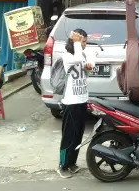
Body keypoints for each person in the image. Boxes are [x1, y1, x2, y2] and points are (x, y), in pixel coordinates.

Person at [58, 29, 96, 178]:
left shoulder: (82, 53)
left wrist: (89, 68)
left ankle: (72, 163)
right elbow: (79, 57)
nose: (85, 45)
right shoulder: (67, 55)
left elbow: (86, 72)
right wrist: (77, 43)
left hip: (82, 99)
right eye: (83, 42)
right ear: (74, 42)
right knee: (68, 135)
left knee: (78, 134)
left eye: (85, 42)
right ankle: (62, 165)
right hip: (70, 101)